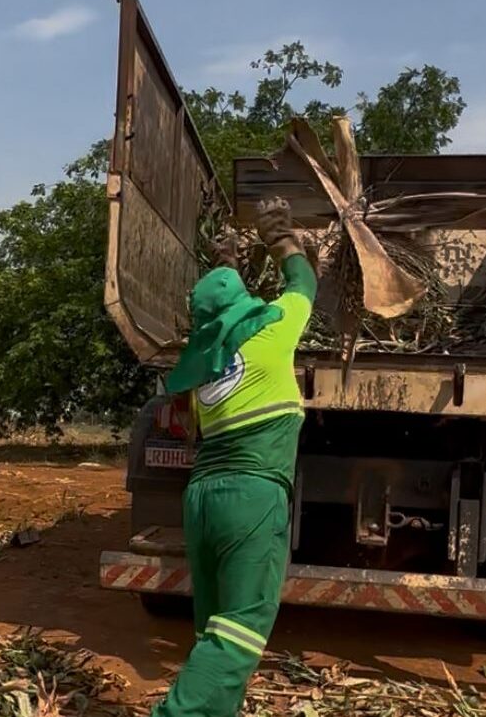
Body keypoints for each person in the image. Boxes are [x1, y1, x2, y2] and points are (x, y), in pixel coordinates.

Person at [151, 197, 317, 717]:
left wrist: (226, 265)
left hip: (202, 499)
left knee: (214, 626)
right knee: (241, 630)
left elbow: (222, 322)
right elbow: (303, 287)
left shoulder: (199, 373)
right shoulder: (271, 334)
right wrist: (282, 239)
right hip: (252, 494)